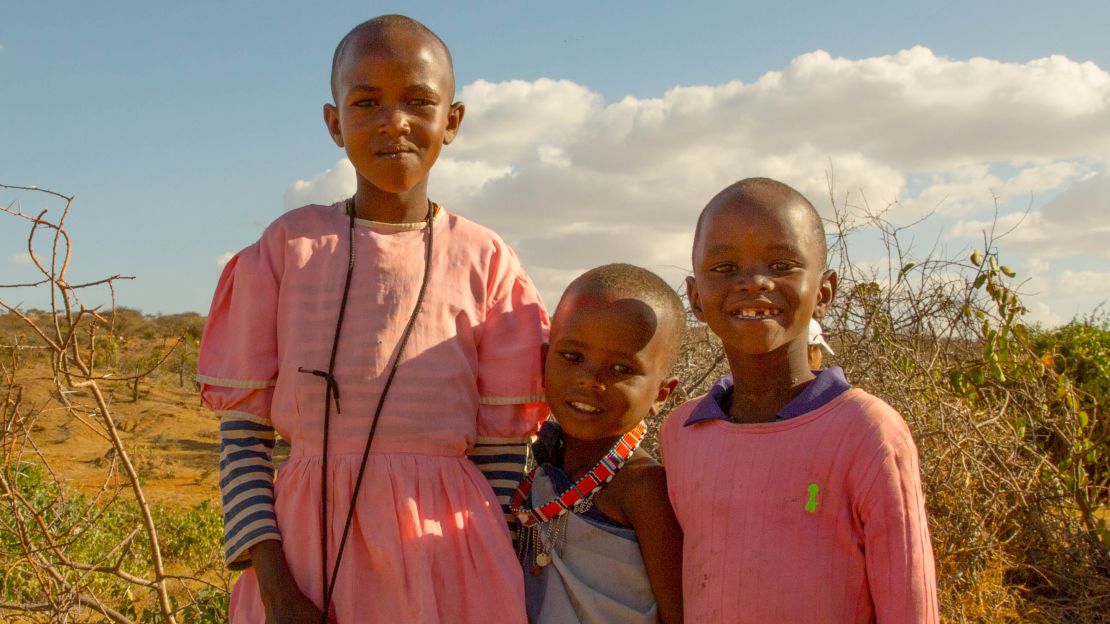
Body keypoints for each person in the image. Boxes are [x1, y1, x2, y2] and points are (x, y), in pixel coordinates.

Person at [197, 15, 548, 623]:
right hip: (301, 561)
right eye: (366, 102)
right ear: (335, 124)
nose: (395, 121)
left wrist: (486, 564)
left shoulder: (487, 261)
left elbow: (501, 451)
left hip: (452, 556)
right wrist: (276, 588)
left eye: (418, 100)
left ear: (453, 121)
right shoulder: (289, 248)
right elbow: (243, 438)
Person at [660, 178, 938, 622]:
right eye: (725, 268)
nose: (753, 282)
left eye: (781, 264)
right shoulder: (683, 433)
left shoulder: (866, 432)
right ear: (695, 297)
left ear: (824, 291)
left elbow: (911, 606)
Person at [513, 264, 684, 624]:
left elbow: (678, 615)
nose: (589, 379)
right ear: (544, 362)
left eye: (621, 369)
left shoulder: (644, 488)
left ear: (661, 394)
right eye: (572, 357)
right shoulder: (539, 472)